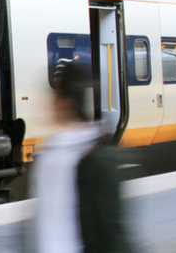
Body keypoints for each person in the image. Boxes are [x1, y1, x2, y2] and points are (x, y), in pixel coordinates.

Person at [30, 65, 133, 253]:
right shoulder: (50, 152)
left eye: (54, 96)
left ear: (66, 102)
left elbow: (110, 234)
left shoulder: (97, 159)